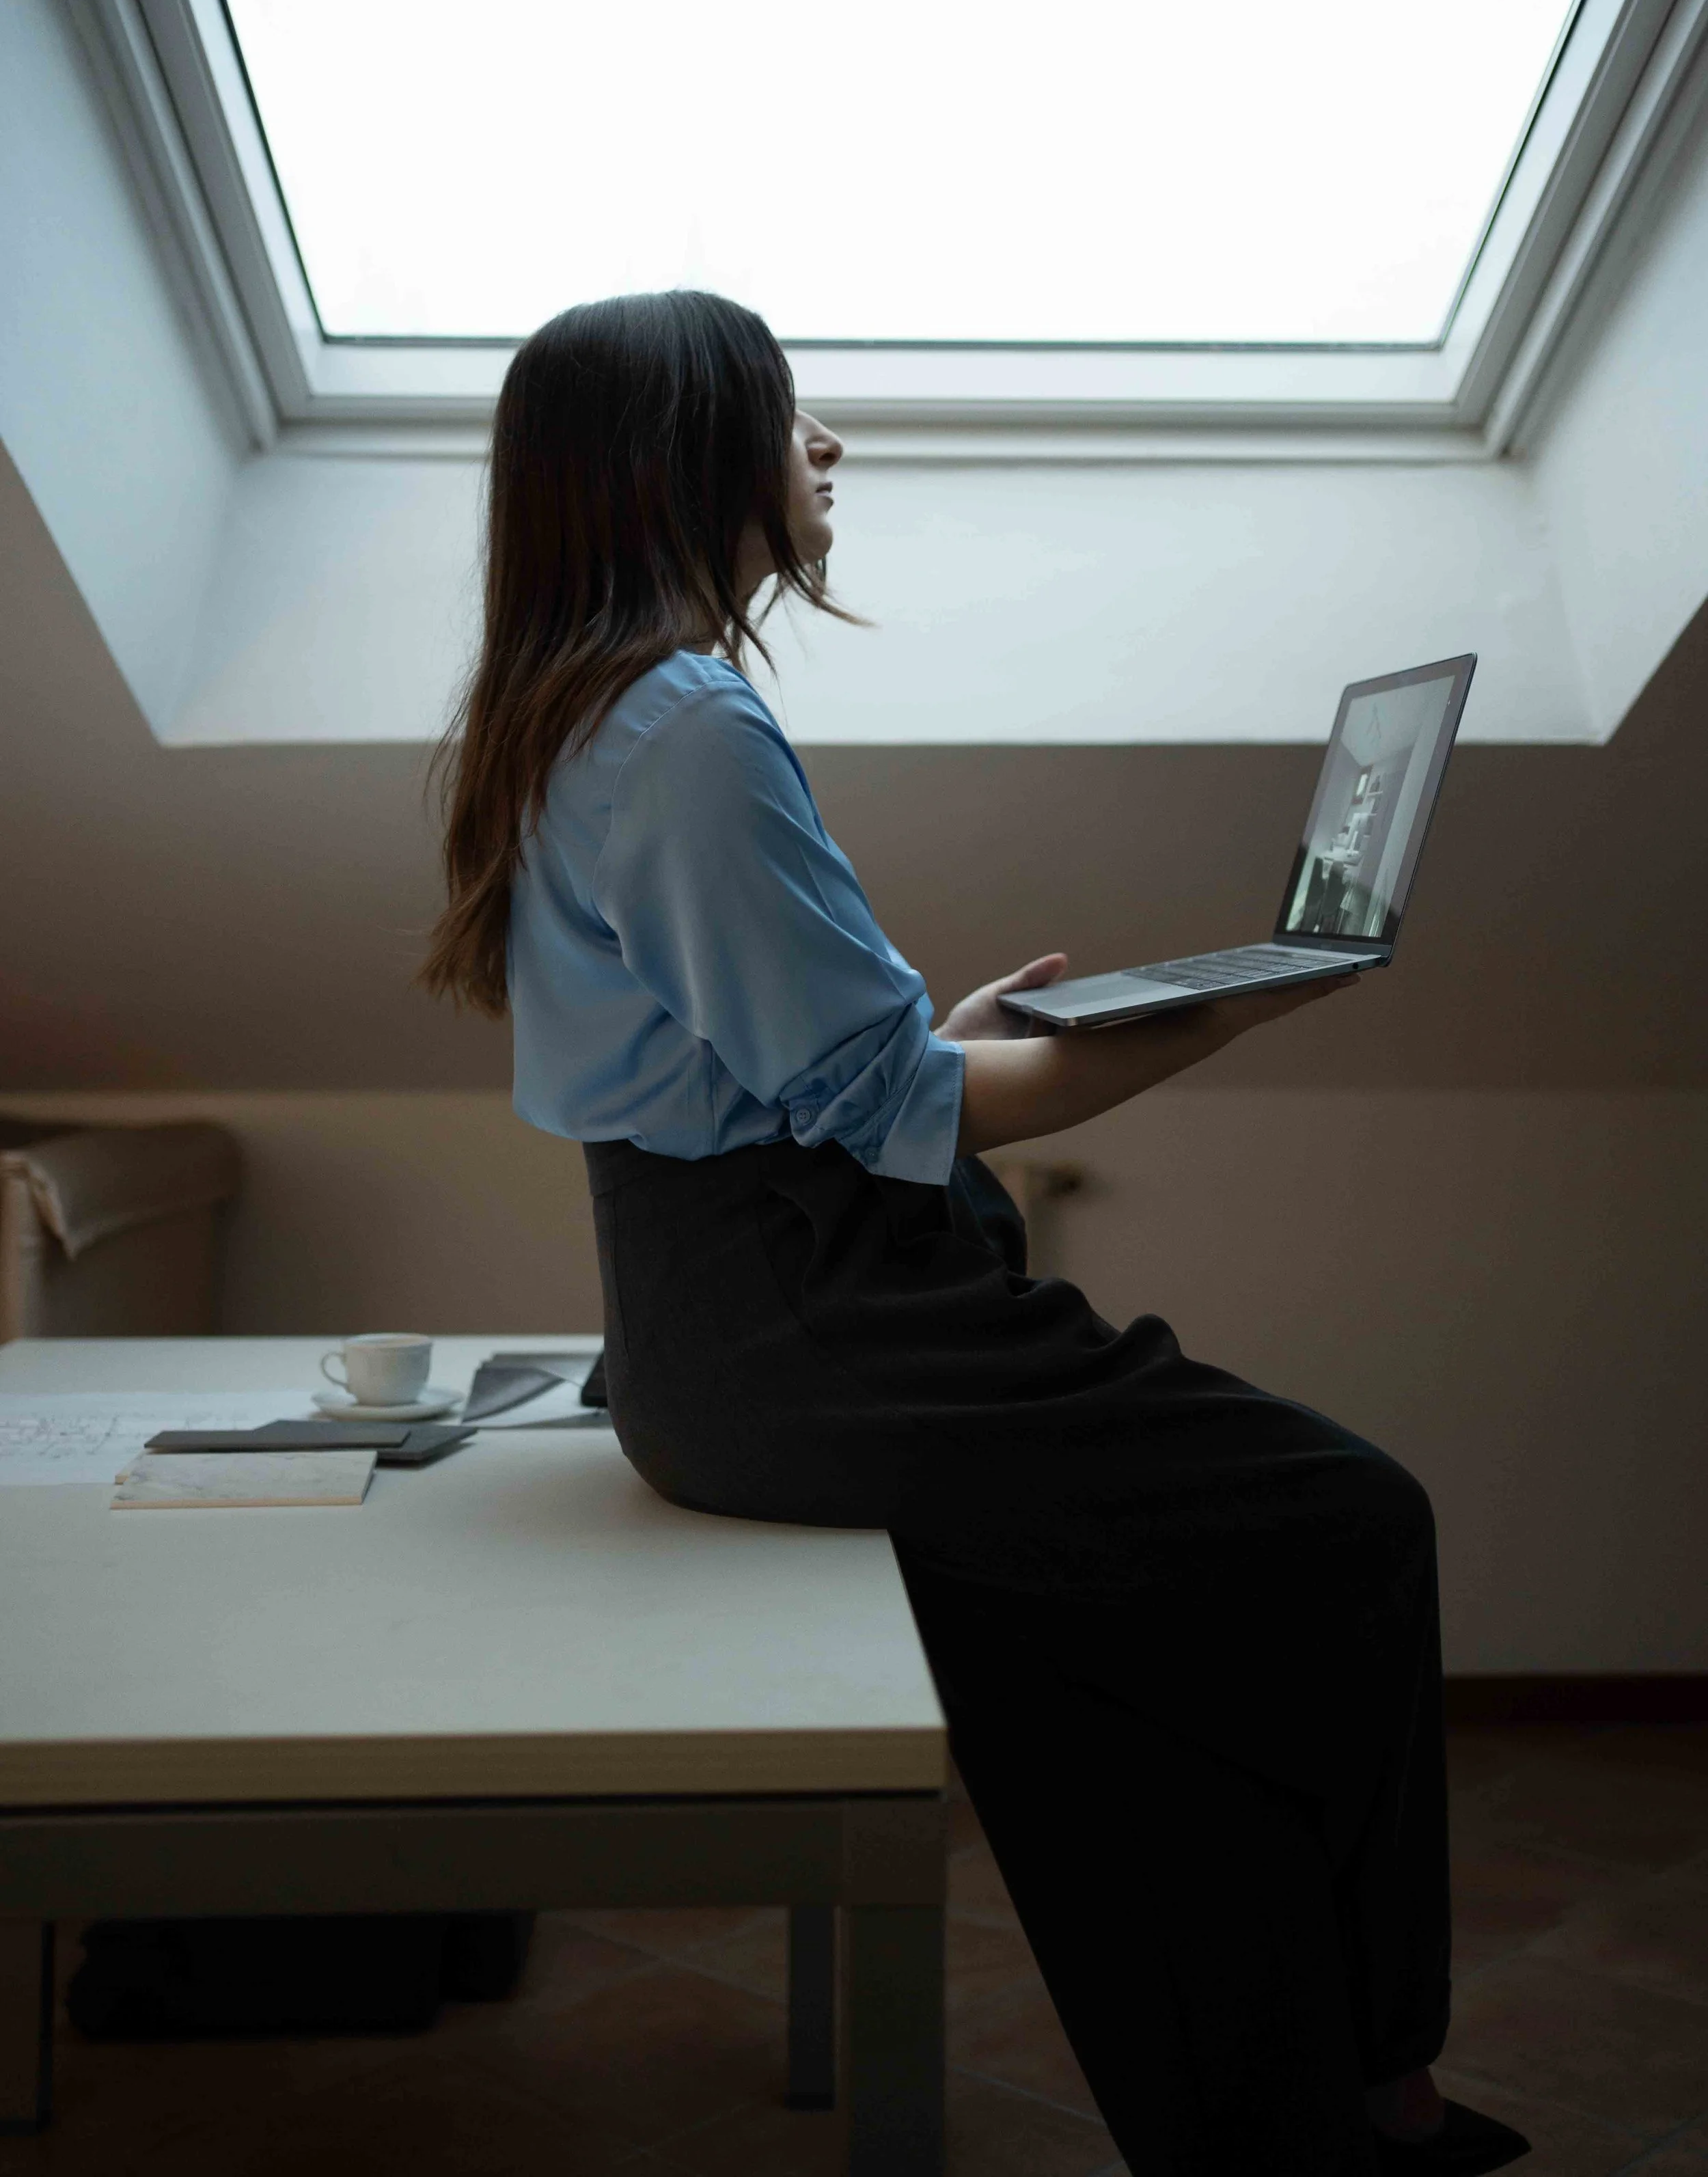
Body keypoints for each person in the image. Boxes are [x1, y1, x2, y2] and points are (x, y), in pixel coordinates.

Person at [421, 287, 1529, 2177]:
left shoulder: (577, 711)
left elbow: (772, 1070)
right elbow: (900, 1118)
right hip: (820, 1324)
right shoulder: (684, 726)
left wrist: (923, 1042)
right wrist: (1252, 997)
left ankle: (1297, 2118)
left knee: (1105, 1678)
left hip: (730, 1326)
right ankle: (1373, 2081)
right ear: (686, 461)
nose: (825, 451)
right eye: (789, 420)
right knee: (1353, 1526)